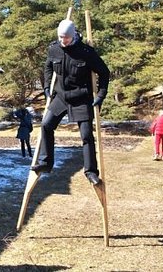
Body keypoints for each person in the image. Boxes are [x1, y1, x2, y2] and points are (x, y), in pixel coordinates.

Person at [31, 19, 110, 185]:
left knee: (87, 136)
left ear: (73, 35)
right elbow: (48, 67)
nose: (62, 41)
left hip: (81, 98)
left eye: (65, 38)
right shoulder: (54, 49)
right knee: (46, 125)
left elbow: (104, 72)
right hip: (60, 97)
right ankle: (46, 163)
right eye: (60, 37)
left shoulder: (86, 52)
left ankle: (91, 172)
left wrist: (101, 95)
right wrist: (46, 87)